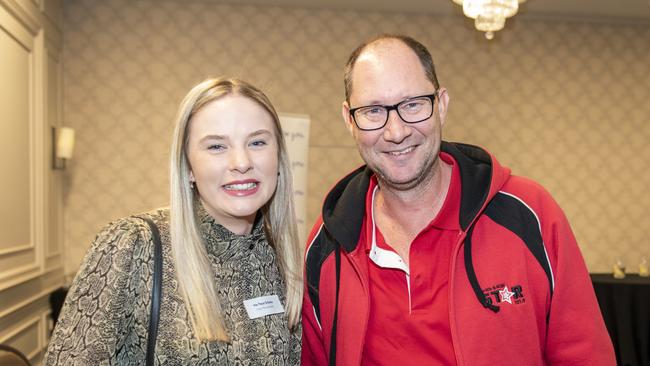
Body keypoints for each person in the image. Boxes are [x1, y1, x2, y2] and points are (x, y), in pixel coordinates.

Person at [301, 34, 615, 365]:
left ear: (442, 104)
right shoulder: (327, 246)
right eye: (373, 110)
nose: (396, 132)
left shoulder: (528, 214)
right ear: (349, 119)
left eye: (413, 104)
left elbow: (585, 353)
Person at [45, 78, 302, 364]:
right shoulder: (134, 246)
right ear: (188, 166)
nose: (241, 162)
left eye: (257, 142)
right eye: (216, 146)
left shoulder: (281, 261)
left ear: (277, 157)